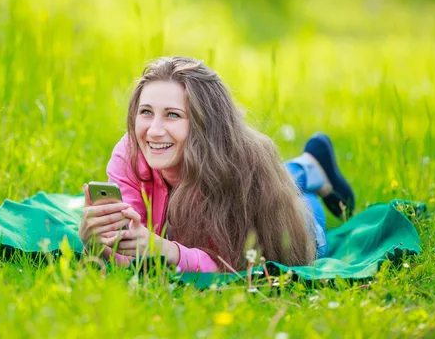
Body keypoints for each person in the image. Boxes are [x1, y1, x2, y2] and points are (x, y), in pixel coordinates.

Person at [78, 56, 354, 273]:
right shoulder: (130, 153)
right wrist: (98, 242)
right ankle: (307, 164)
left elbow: (238, 265)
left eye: (173, 115)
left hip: (297, 225)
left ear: (205, 123)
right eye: (146, 112)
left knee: (299, 202)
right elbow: (134, 257)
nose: (154, 130)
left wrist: (168, 250)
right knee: (282, 175)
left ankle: (309, 170)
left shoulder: (239, 171)